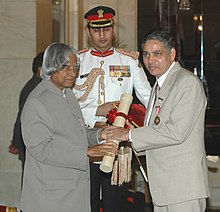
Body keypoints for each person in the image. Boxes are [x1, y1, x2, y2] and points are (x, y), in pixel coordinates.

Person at [103, 28, 210, 212]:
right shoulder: (159, 85)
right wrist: (130, 126)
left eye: (157, 54)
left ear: (172, 54)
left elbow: (175, 132)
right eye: (146, 54)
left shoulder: (186, 82)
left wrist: (128, 134)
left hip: (182, 189)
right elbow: (156, 128)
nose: (150, 60)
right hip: (163, 188)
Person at [20, 42, 118, 212]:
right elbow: (41, 149)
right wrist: (87, 152)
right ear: (51, 66)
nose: (72, 74)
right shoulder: (37, 101)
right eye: (66, 68)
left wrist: (99, 135)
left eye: (75, 68)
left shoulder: (68, 93)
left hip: (72, 194)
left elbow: (73, 133)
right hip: (51, 199)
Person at [72, 5, 151, 212]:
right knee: (84, 203)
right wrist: (97, 111)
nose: (102, 35)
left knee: (115, 204)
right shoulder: (77, 61)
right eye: (96, 30)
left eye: (106, 29)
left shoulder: (129, 61)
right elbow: (66, 106)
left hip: (118, 145)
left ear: (113, 30)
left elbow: (149, 100)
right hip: (85, 139)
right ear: (88, 31)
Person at [9, 51, 44, 172]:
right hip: (31, 147)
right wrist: (16, 142)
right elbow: (22, 118)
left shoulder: (37, 86)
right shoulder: (34, 89)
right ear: (40, 69)